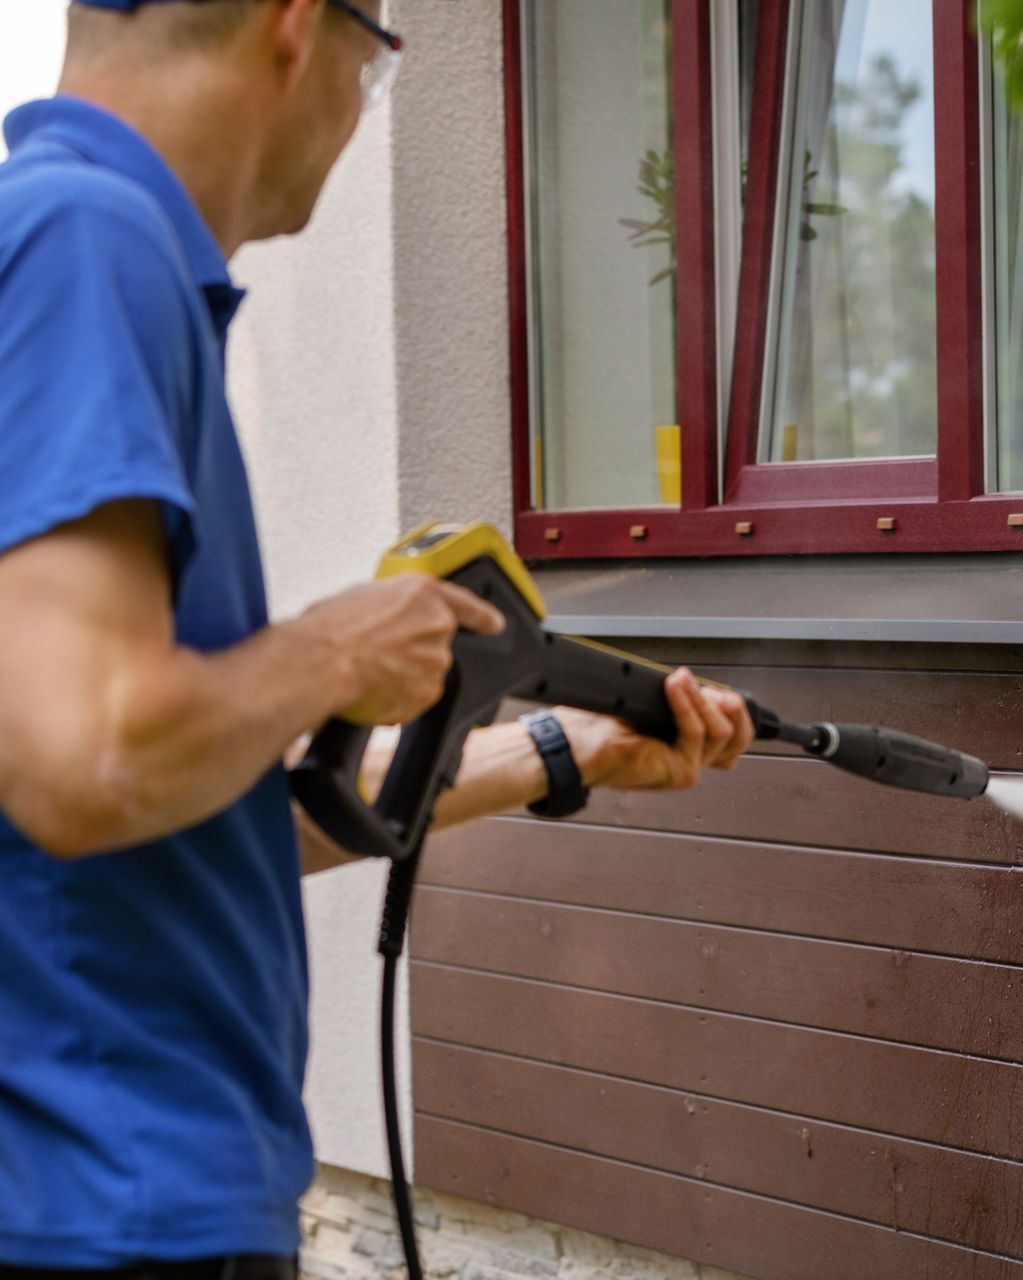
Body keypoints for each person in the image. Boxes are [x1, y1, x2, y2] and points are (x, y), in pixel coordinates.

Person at [0, 3, 756, 1276]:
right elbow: (84, 765)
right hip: (106, 1208)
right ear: (301, 28)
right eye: (379, 62)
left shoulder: (83, 249)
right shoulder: (85, 241)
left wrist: (553, 750)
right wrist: (334, 651)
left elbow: (183, 806)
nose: (362, 107)